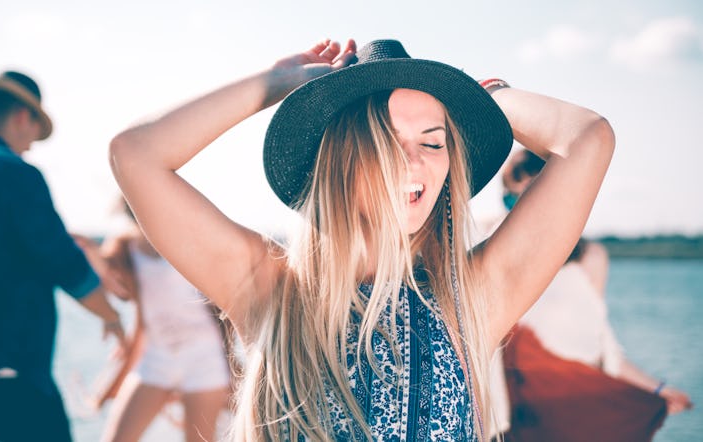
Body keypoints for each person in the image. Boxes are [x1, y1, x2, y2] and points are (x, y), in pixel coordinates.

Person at [108, 38, 615, 440]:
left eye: (433, 142)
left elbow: (588, 139)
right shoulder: (269, 291)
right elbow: (135, 154)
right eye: (387, 141)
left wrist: (488, 96)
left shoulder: (473, 297)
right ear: (342, 159)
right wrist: (276, 84)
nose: (414, 161)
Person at [0, 70, 126, 442]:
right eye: (34, 134)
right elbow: (64, 264)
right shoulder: (13, 173)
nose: (30, 147)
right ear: (22, 117)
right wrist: (111, 315)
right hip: (11, 381)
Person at [490, 149, 693, 441]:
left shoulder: (590, 258)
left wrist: (656, 390)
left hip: (574, 406)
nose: (519, 210)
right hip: (520, 413)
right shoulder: (491, 247)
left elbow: (604, 346)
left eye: (528, 198)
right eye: (510, 199)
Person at [76, 198, 233, 442]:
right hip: (157, 359)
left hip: (204, 359)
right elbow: (118, 289)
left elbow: (226, 306)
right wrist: (85, 246)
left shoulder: (191, 242)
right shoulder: (124, 249)